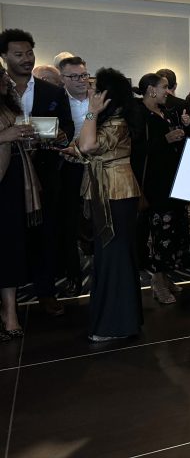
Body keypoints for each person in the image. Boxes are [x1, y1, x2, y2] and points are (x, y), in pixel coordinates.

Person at [66, 68, 144, 342]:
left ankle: (115, 324)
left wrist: (91, 110)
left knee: (113, 257)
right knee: (111, 256)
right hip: (110, 191)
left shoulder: (116, 122)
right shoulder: (112, 121)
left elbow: (87, 146)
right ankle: (121, 320)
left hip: (116, 193)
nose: (90, 91)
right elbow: (85, 146)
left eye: (95, 88)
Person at [0, 28, 73, 316]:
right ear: (4, 57)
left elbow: (67, 129)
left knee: (46, 233)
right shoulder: (2, 91)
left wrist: (53, 136)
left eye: (29, 53)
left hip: (44, 172)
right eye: (18, 54)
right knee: (8, 237)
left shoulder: (52, 91)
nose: (26, 59)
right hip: (6, 174)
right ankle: (10, 299)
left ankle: (46, 292)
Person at [133, 73, 190, 304]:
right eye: (164, 87)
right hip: (155, 184)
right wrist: (165, 140)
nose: (168, 92)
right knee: (161, 232)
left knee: (175, 229)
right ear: (150, 89)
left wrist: (184, 129)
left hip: (173, 180)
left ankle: (165, 275)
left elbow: (178, 142)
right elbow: (136, 149)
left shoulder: (165, 112)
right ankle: (157, 280)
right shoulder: (140, 115)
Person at [0, 65, 39, 341]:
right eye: (0, 76)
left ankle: (10, 310)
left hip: (12, 181)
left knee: (11, 246)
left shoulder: (8, 105)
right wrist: (4, 136)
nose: (6, 79)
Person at [58, 56, 91, 295]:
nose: (81, 80)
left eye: (83, 75)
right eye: (74, 76)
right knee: (69, 219)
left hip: (97, 164)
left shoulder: (99, 100)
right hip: (68, 165)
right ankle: (72, 272)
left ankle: (99, 268)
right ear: (63, 79)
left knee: (96, 218)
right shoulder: (58, 101)